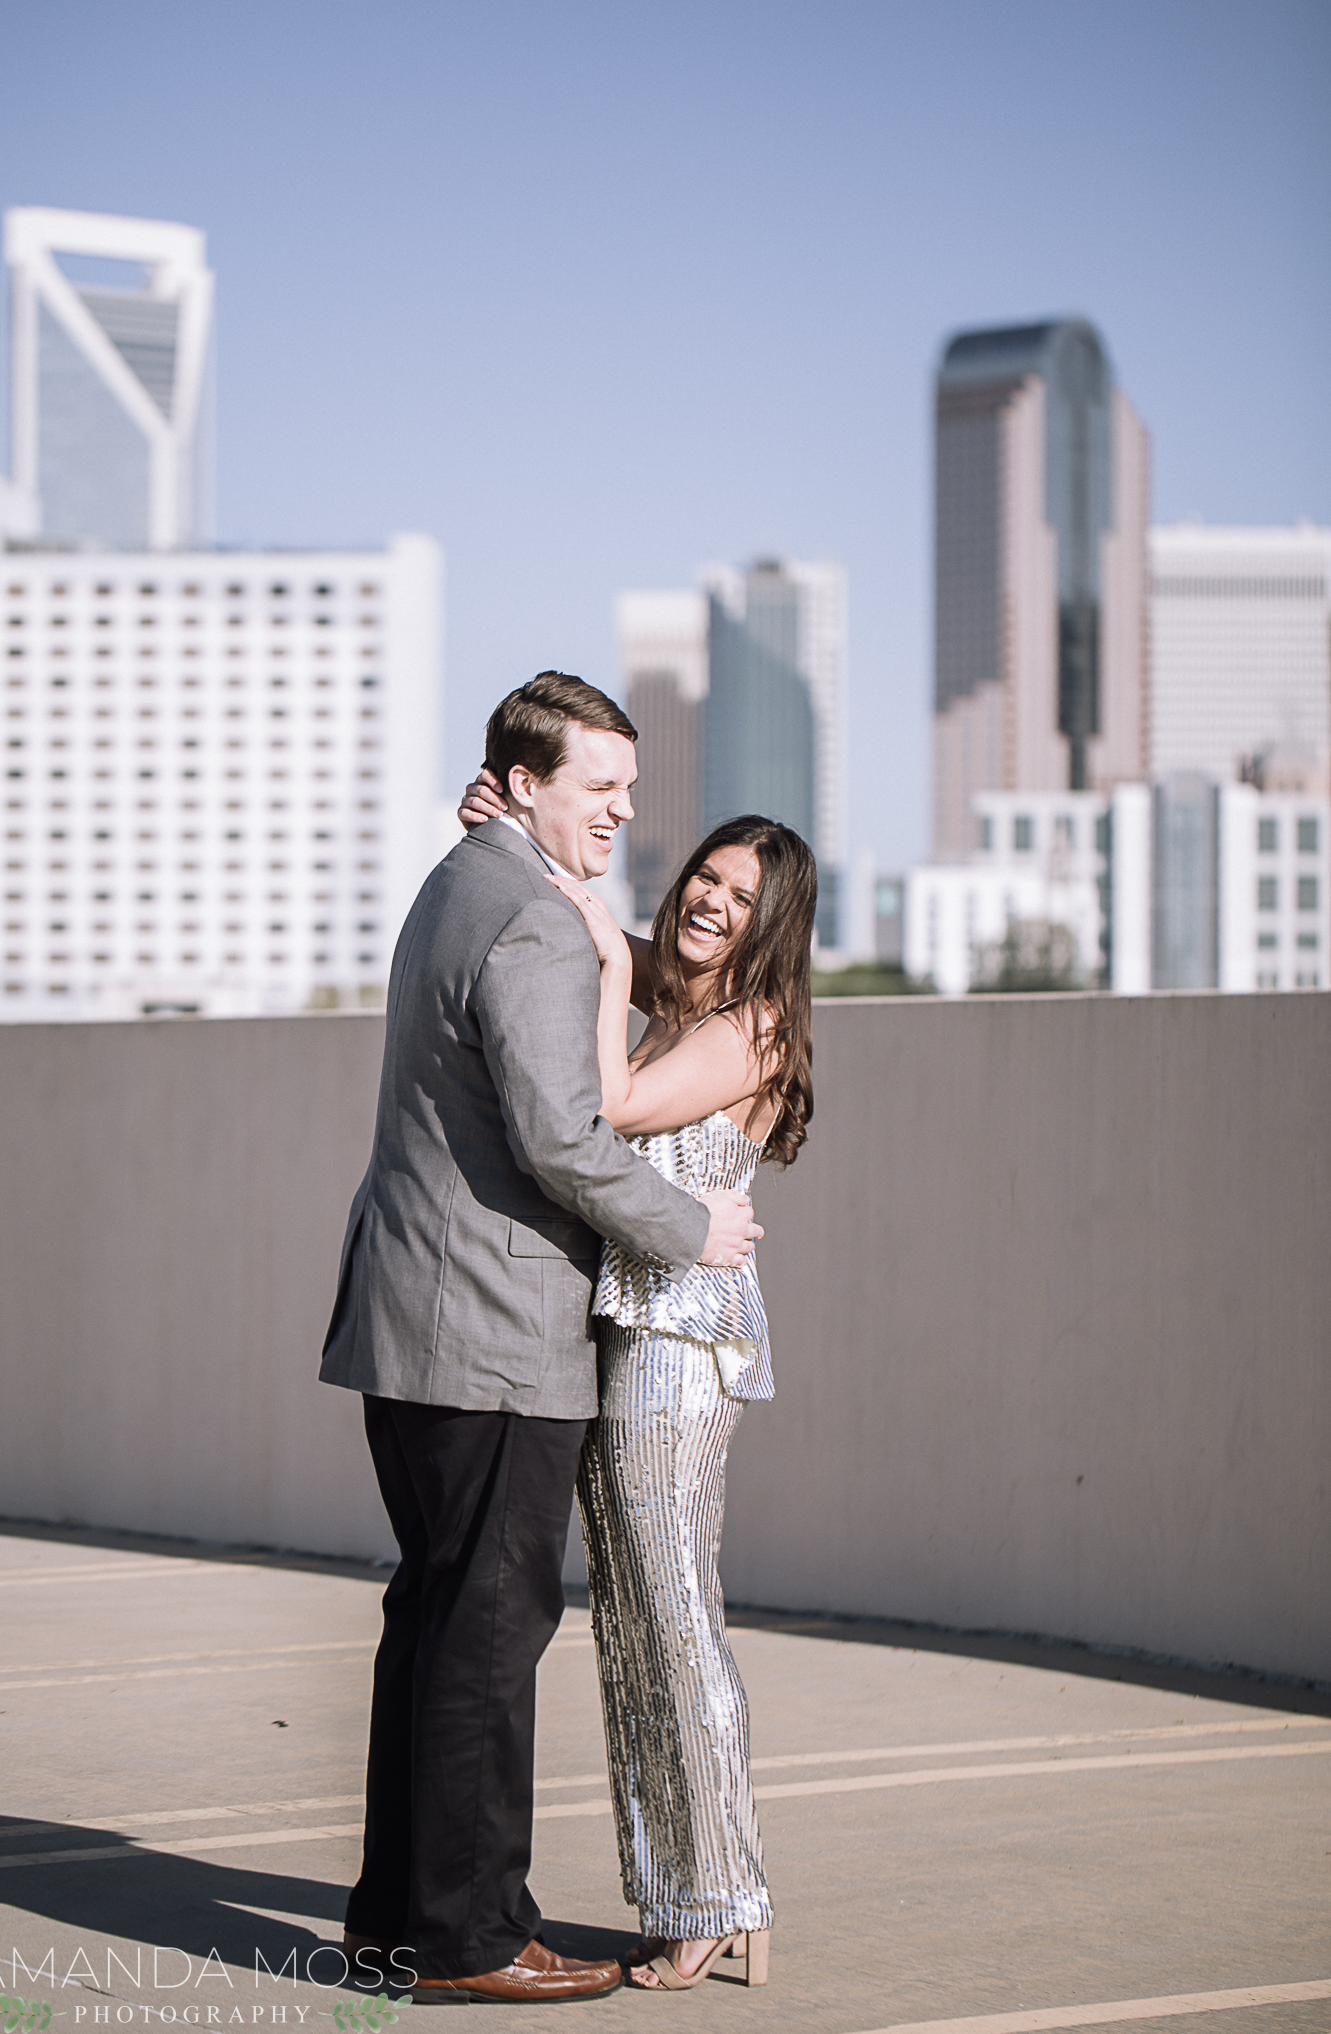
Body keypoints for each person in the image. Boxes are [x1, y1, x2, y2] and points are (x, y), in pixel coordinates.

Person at [319, 673, 762, 2006]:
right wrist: (693, 1230)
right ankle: (468, 1941)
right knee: (484, 1636)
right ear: (521, 782)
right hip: (489, 1337)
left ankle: (396, 1920)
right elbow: (565, 1136)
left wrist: (547, 863)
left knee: (435, 1622)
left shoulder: (471, 881)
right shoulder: (529, 920)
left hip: (422, 1323)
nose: (626, 814)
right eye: (599, 791)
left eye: (629, 791)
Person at [460, 774, 815, 1993]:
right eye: (707, 877)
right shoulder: (680, 986)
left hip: (679, 1343)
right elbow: (579, 906)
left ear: (777, 924)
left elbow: (610, 1100)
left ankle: (723, 1891)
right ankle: (688, 1885)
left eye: (741, 895)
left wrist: (616, 972)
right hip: (621, 1325)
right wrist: (501, 822)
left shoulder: (751, 1023)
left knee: (674, 1610)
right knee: (628, 1619)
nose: (713, 902)